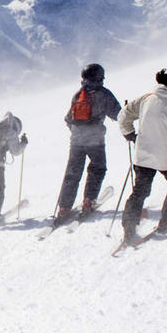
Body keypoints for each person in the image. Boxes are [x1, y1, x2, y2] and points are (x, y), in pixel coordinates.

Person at [119, 69, 167, 243]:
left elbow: (123, 116)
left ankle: (129, 228)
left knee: (139, 191)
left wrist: (130, 135)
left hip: (143, 154)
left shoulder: (145, 99)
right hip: (166, 156)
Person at [53, 63, 121, 225]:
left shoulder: (78, 94)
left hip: (76, 141)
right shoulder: (103, 94)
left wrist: (77, 132)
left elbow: (68, 119)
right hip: (95, 141)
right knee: (97, 169)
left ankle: (64, 207)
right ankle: (88, 201)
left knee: (73, 173)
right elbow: (118, 114)